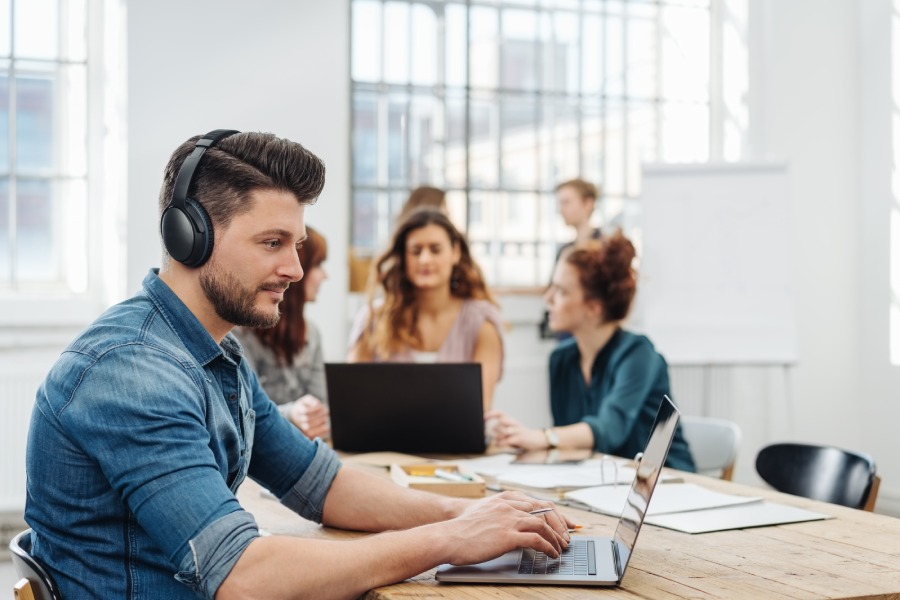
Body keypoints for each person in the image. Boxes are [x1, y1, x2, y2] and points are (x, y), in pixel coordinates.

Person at [24, 130, 573, 600]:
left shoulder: (217, 356)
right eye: (272, 243)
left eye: (298, 245)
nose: (294, 268)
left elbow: (321, 483)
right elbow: (241, 575)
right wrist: (451, 540)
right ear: (189, 237)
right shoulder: (131, 373)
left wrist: (465, 515)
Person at [487, 231, 696, 472]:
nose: (548, 299)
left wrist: (542, 437)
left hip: (667, 487)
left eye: (561, 291)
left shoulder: (639, 354)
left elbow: (611, 428)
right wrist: (518, 438)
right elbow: (570, 446)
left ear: (593, 307)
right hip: (603, 485)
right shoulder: (561, 359)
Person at [348, 207, 504, 410]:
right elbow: (352, 398)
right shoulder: (373, 319)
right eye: (416, 251)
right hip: (381, 442)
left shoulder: (482, 323)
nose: (425, 260)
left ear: (455, 253)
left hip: (457, 442)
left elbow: (480, 407)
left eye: (435, 249)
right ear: (404, 257)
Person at [233, 225, 330, 440]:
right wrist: (292, 414)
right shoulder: (240, 335)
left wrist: (314, 417)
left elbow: (324, 411)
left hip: (301, 448)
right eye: (318, 265)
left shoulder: (312, 334)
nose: (325, 276)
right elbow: (244, 415)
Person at [540, 178, 603, 339]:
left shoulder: (605, 249)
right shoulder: (564, 251)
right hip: (566, 331)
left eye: (566, 202)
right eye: (560, 204)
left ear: (588, 203)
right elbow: (552, 288)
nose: (561, 210)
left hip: (593, 330)